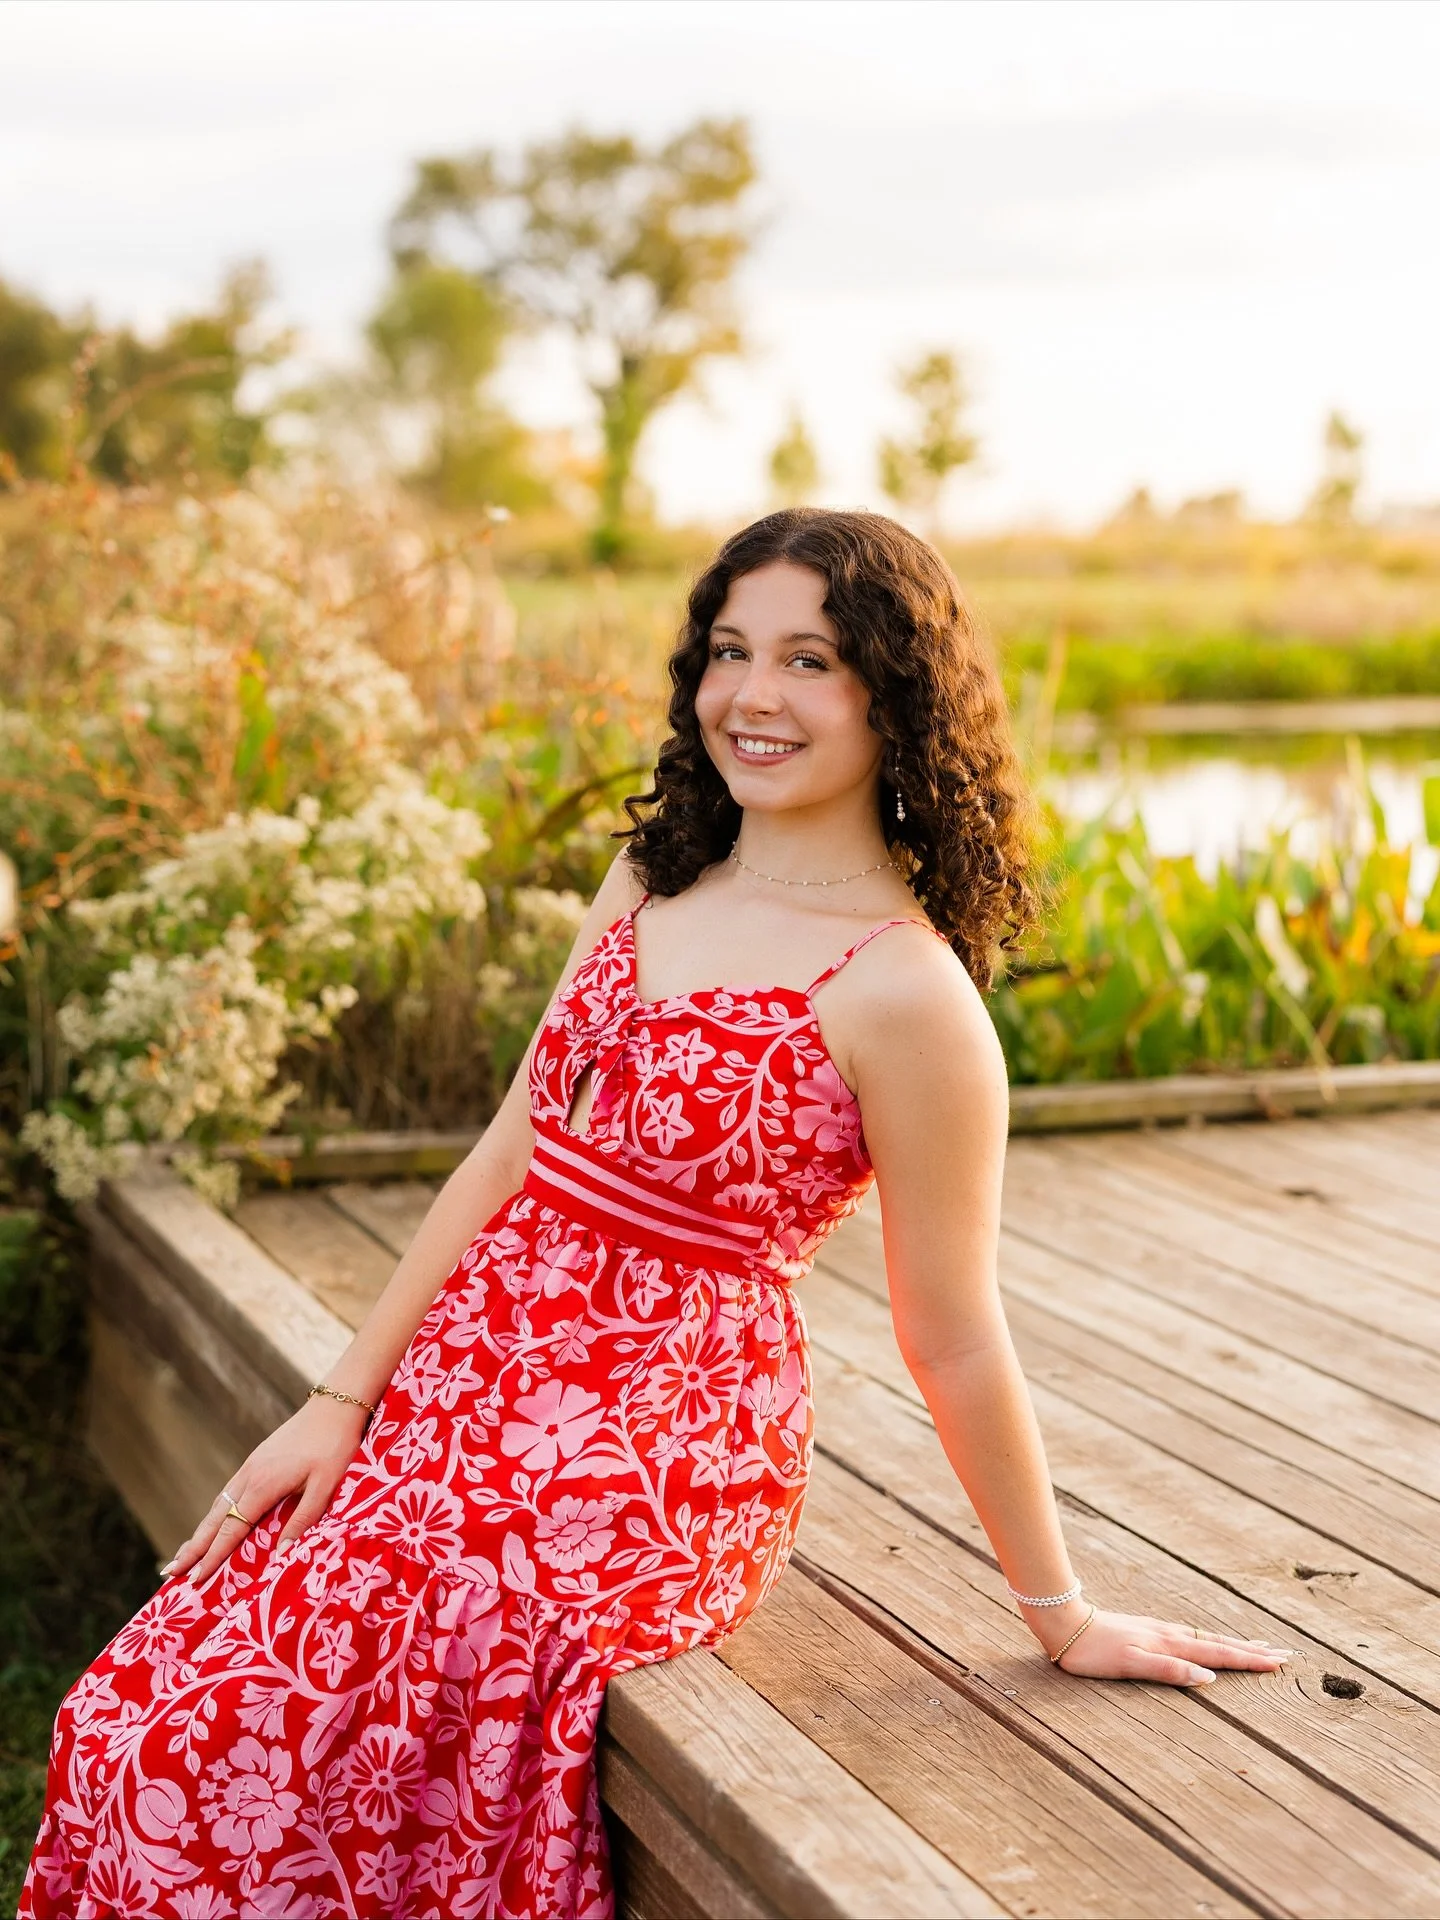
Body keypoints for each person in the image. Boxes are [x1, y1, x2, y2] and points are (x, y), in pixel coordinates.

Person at [22, 509, 1290, 1920]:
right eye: (730, 652)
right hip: (477, 1365)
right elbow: (507, 1152)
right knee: (141, 1720)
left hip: (663, 1427)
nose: (754, 695)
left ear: (896, 693)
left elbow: (957, 1335)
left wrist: (1060, 1614)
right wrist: (338, 1401)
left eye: (809, 660)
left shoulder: (908, 993)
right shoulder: (652, 878)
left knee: (402, 1637)